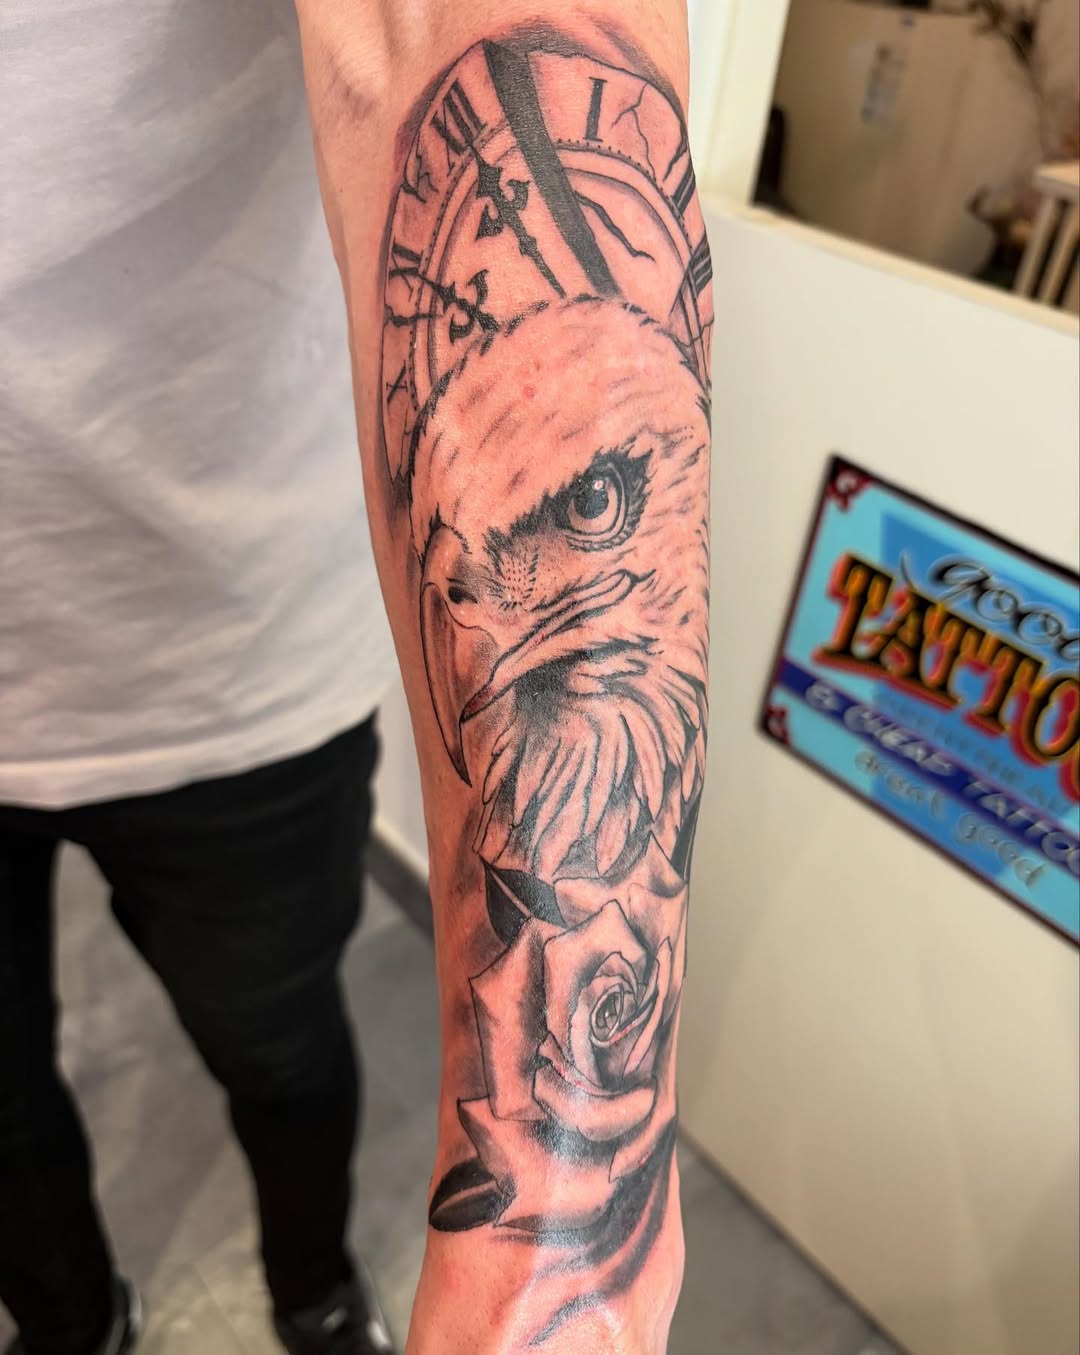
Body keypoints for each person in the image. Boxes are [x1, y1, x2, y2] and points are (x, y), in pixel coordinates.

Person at [2, 4, 711, 1355]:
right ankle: (67, 1322)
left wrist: (562, 1224)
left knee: (276, 1048)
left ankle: (314, 1291)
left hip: (227, 664)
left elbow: (467, 32)